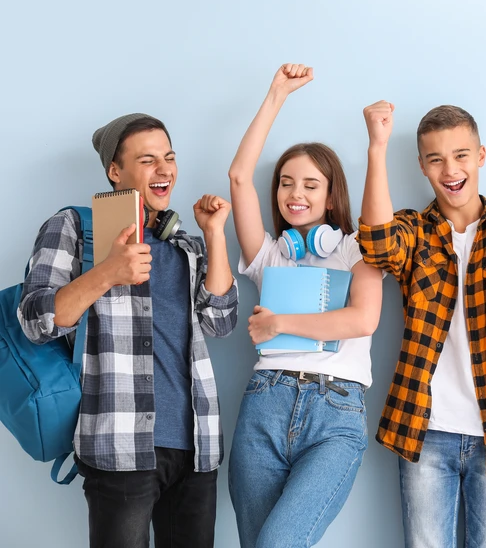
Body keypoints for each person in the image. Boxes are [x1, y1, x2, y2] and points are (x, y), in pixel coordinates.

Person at [18, 113, 239, 548]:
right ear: (115, 172)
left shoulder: (185, 245)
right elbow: (35, 320)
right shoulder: (73, 228)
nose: (165, 169)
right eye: (148, 160)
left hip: (196, 447)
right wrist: (106, 273)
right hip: (119, 445)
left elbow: (222, 320)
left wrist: (214, 235)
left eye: (169, 158)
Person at [356, 100, 486, 547]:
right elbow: (378, 247)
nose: (450, 169)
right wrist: (377, 146)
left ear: (480, 156)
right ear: (421, 166)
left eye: (460, 155)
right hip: (424, 428)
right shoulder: (414, 228)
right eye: (435, 159)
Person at [226, 64, 384, 547]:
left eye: (310, 184)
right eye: (286, 183)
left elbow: (363, 319)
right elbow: (238, 177)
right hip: (264, 406)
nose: (295, 194)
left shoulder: (358, 250)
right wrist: (275, 95)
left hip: (336, 412)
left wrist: (278, 323)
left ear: (331, 193)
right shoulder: (269, 254)